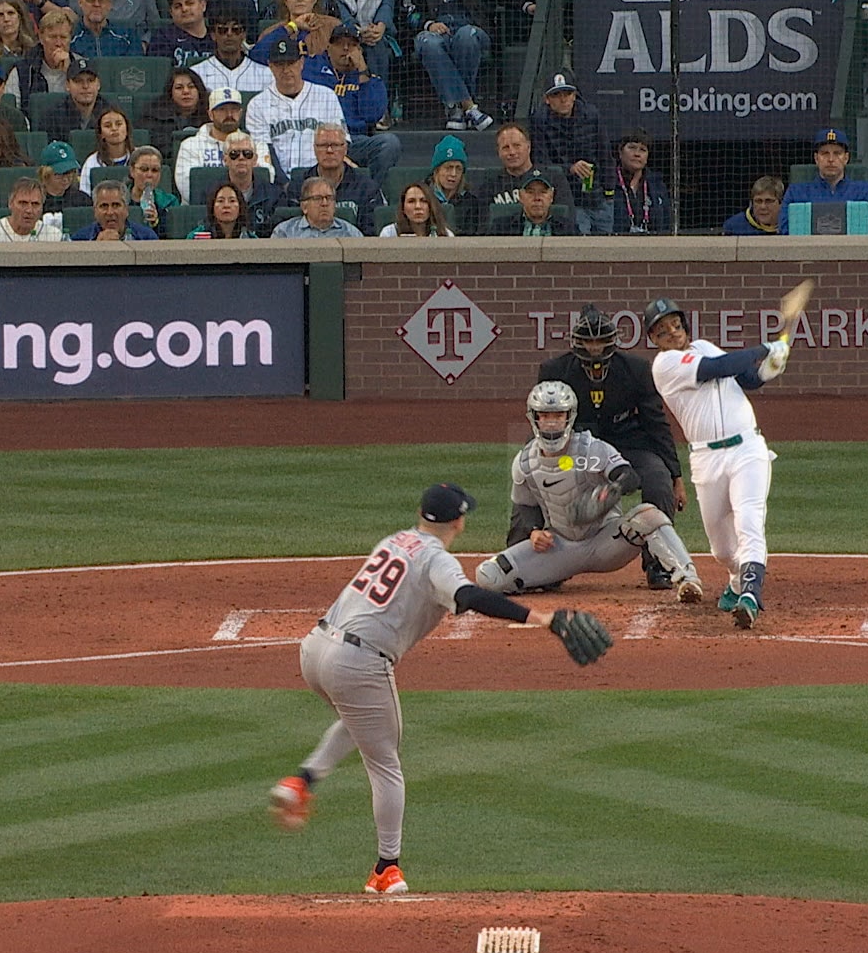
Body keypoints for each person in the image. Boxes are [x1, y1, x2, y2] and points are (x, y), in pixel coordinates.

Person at [265, 482, 612, 896]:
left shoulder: (394, 541)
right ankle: (387, 869)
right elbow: (469, 595)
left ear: (420, 514)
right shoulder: (437, 560)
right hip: (358, 663)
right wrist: (542, 619)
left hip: (314, 650)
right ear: (459, 522)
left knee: (359, 724)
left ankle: (301, 781)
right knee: (385, 764)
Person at [474, 380, 702, 602]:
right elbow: (525, 505)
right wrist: (534, 531)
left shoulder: (592, 448)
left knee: (649, 515)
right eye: (545, 415)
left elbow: (629, 476)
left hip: (607, 542)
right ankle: (548, 577)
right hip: (560, 547)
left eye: (558, 415)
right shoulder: (524, 462)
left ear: (569, 417)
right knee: (489, 575)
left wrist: (609, 492)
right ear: (535, 418)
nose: (552, 422)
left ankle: (687, 579)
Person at [645, 296, 783, 628]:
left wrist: (769, 368)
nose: (672, 332)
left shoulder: (704, 346)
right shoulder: (664, 366)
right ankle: (737, 580)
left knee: (749, 520)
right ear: (654, 339)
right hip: (707, 458)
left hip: (747, 448)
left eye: (675, 325)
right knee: (721, 549)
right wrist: (765, 348)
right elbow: (717, 369)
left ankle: (750, 596)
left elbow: (744, 377)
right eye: (663, 330)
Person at [534, 304, 687, 590]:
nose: (595, 348)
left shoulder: (637, 369)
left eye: (600, 341)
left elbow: (656, 423)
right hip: (579, 453)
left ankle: (659, 564)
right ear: (577, 342)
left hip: (629, 446)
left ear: (612, 340)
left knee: (657, 478)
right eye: (589, 341)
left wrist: (675, 475)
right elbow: (546, 423)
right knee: (553, 478)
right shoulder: (554, 371)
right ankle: (549, 565)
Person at [245, 33, 347, 175]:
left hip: (319, 178)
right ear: (270, 66)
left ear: (301, 63)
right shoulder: (258, 104)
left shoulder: (326, 96)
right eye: (280, 64)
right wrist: (283, 183)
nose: (286, 70)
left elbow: (340, 143)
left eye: (291, 63)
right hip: (277, 180)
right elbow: (264, 151)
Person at [320, 23, 399, 184]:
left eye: (351, 45)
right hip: (320, 140)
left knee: (390, 143)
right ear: (328, 48)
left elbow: (372, 116)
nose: (345, 48)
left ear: (359, 50)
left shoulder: (371, 81)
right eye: (340, 44)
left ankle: (370, 192)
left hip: (354, 141)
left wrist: (362, 71)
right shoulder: (313, 72)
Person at [531, 72, 606, 234]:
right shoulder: (539, 121)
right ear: (547, 99)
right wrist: (570, 168)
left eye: (567, 93)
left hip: (598, 197)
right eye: (556, 95)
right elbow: (541, 164)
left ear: (574, 95)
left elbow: (604, 154)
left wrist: (609, 192)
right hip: (567, 198)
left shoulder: (591, 115)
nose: (563, 99)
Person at [414, 0, 492, 131]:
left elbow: (491, 3)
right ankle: (468, 107)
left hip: (470, 27)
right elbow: (408, 14)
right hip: (433, 31)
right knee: (430, 44)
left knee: (466, 37)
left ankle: (457, 107)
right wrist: (429, 24)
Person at [780, 127, 868, 233]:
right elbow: (785, 230)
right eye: (825, 153)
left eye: (837, 153)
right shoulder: (796, 193)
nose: (831, 159)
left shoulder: (866, 192)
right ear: (816, 158)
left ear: (846, 158)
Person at [481, 121, 572, 208]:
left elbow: (567, 214)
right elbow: (484, 217)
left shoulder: (553, 178)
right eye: (505, 147)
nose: (512, 152)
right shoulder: (490, 185)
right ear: (498, 152)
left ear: (528, 147)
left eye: (517, 145)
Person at [192, 0, 272, 93]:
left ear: (244, 34)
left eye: (236, 29)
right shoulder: (197, 74)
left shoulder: (265, 74)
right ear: (213, 35)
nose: (229, 34)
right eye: (222, 30)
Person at [602, 127, 670, 235]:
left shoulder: (657, 185)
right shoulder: (606, 181)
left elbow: (667, 223)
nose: (637, 154)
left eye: (642, 150)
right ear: (620, 152)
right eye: (632, 148)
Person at [4, 6, 78, 101]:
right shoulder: (22, 71)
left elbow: (87, 104)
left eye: (63, 37)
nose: (58, 43)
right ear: (41, 38)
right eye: (52, 37)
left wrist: (70, 73)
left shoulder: (82, 67)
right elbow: (11, 108)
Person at [216, 130, 280, 233]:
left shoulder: (274, 194)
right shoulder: (212, 194)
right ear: (225, 160)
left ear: (255, 159)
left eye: (247, 154)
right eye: (234, 154)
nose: (241, 158)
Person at [422, 133, 486, 233]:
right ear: (437, 170)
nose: (453, 174)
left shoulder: (471, 202)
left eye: (458, 168)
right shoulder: (423, 197)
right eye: (448, 168)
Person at [484, 166, 570, 236]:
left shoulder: (569, 229)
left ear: (551, 196)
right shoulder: (500, 228)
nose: (537, 198)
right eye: (530, 192)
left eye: (543, 192)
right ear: (520, 196)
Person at [37, 57, 108, 141]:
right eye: (78, 81)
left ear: (98, 84)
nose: (85, 86)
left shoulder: (110, 113)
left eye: (90, 80)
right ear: (67, 85)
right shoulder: (53, 118)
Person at [0, 174, 65, 239]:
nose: (29, 210)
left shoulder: (53, 236)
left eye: (35, 204)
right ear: (10, 203)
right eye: (23, 203)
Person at [273, 173, 361, 235]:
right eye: (317, 198)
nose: (325, 203)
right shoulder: (285, 232)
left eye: (329, 198)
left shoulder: (351, 233)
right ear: (304, 207)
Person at [69, 177, 156, 238]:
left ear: (126, 209)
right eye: (104, 206)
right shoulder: (80, 239)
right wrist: (96, 247)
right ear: (95, 211)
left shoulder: (147, 237)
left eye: (116, 205)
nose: (110, 212)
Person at [148, 0, 215, 67]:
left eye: (190, 3)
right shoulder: (162, 37)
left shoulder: (219, 34)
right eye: (177, 6)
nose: (184, 9)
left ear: (203, 5)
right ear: (171, 12)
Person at [142, 65, 210, 137]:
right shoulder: (154, 117)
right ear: (170, 92)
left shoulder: (211, 116)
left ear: (199, 90)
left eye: (191, 86)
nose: (186, 91)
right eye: (179, 87)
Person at [78, 105, 135, 190]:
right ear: (101, 134)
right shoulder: (91, 163)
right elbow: (84, 193)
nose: (114, 128)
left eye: (119, 124)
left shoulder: (140, 158)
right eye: (108, 126)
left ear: (127, 129)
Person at [71, 0, 141, 57]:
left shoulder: (127, 36)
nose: (96, 4)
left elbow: (137, 63)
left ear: (110, 4)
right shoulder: (70, 37)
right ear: (80, 2)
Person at [125, 144, 179, 226]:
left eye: (155, 170)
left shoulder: (170, 202)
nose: (149, 175)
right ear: (132, 171)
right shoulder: (119, 200)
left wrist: (156, 222)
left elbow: (172, 230)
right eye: (144, 169)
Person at [379, 180, 453, 236]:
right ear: (403, 208)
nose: (418, 206)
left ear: (431, 206)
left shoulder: (446, 234)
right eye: (411, 201)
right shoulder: (389, 233)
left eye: (424, 201)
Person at [37, 139, 92, 212]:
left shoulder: (82, 200)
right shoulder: (34, 201)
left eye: (70, 172)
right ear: (46, 175)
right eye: (59, 174)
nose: (65, 179)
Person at [190, 178, 255, 236]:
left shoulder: (249, 237)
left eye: (232, 201)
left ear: (240, 207)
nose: (226, 205)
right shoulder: (197, 236)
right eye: (220, 201)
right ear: (212, 207)